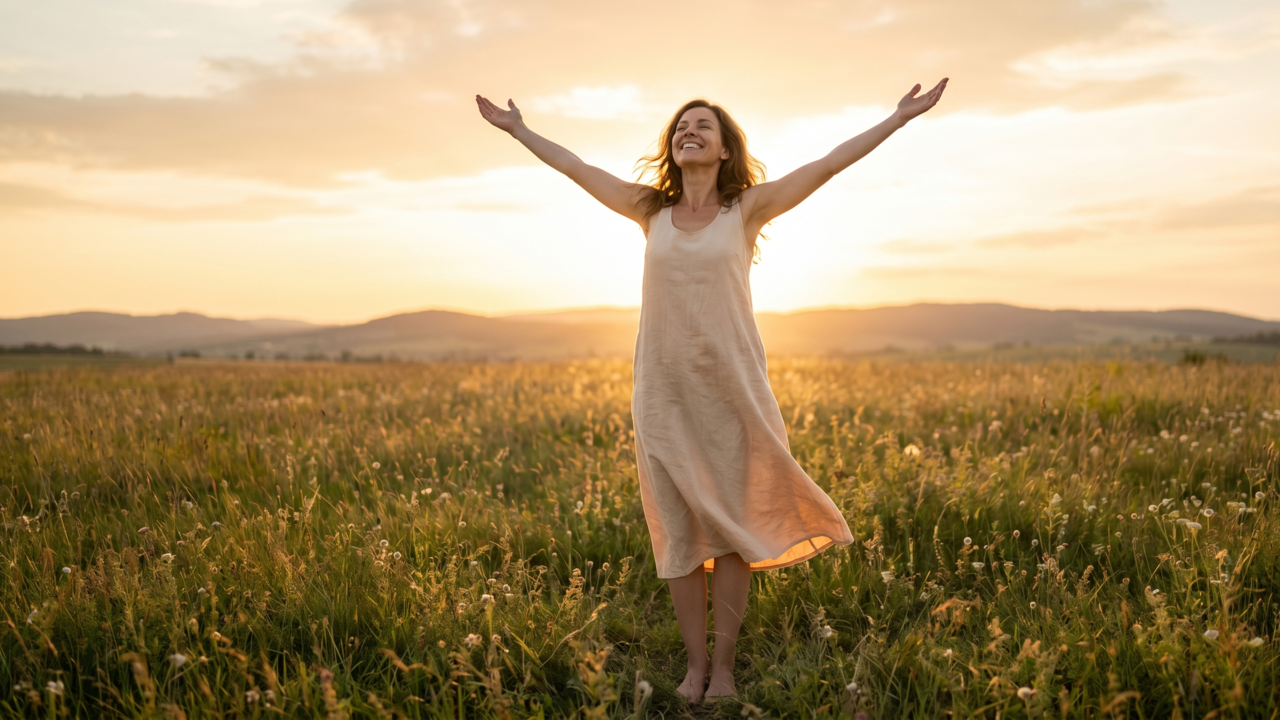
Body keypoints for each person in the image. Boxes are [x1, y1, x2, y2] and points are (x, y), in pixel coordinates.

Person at [476, 78, 948, 702]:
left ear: (725, 149)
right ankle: (693, 667)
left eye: (703, 126)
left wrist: (898, 118)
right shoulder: (650, 210)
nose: (688, 132)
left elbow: (829, 164)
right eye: (680, 127)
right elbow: (577, 167)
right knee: (677, 528)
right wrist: (520, 130)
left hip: (732, 390)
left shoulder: (744, 210)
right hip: (663, 393)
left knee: (727, 528)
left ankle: (723, 669)